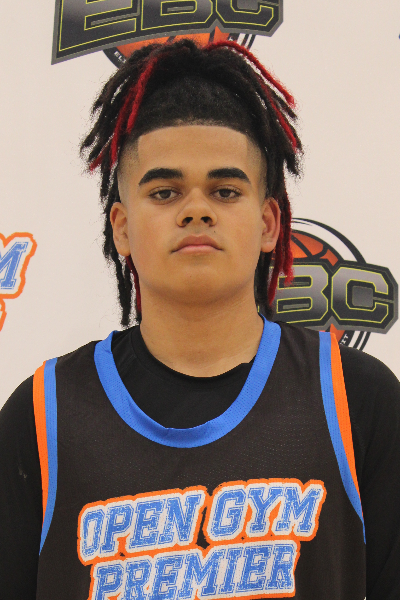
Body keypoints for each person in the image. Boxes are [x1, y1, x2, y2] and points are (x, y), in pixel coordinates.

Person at [0, 39, 399, 600]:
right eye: (165, 192)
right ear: (121, 228)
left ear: (268, 223)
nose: (195, 210)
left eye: (225, 190)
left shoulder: (357, 398)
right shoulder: (43, 416)